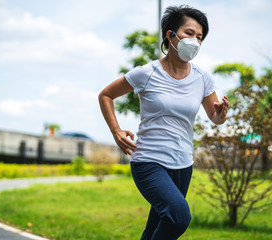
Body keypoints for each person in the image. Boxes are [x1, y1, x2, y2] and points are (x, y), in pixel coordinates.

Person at [98, 4, 229, 240]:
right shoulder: (146, 73)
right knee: (179, 217)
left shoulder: (202, 78)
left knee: (155, 228)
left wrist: (220, 115)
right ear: (170, 35)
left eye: (200, 37)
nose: (195, 41)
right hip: (149, 161)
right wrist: (116, 131)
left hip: (183, 164)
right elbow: (106, 95)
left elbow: (214, 116)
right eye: (189, 33)